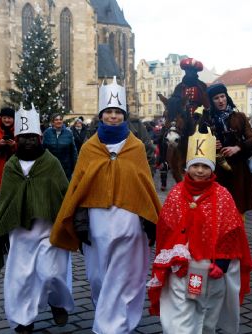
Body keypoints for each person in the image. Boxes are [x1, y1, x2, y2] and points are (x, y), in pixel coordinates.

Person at [49, 76, 162, 334]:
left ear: (124, 115)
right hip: (97, 223)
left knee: (125, 277)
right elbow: (78, 187)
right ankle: (106, 312)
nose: (113, 116)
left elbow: (145, 184)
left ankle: (112, 326)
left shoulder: (135, 146)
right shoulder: (90, 148)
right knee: (98, 278)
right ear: (102, 115)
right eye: (109, 112)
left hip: (129, 223)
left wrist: (151, 220)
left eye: (117, 112)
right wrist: (78, 222)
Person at [147, 126, 252, 334]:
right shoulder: (176, 194)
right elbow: (167, 228)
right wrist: (173, 257)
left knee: (207, 317)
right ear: (187, 167)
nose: (200, 171)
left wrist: (221, 264)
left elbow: (231, 232)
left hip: (211, 267)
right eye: (195, 165)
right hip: (182, 268)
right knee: (181, 317)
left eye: (205, 166)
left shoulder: (222, 195)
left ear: (212, 168)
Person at [0, 104, 74, 334]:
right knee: (21, 277)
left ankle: (57, 302)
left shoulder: (51, 163)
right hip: (21, 232)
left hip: (48, 231)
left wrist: (71, 224)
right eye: (23, 138)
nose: (28, 142)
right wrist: (2, 230)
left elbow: (64, 195)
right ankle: (23, 319)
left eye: (32, 137)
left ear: (40, 137)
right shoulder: (13, 166)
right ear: (16, 139)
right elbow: (6, 201)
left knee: (51, 272)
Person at [206, 83, 252, 215]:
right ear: (212, 101)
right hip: (216, 170)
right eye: (216, 98)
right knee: (217, 209)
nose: (220, 100)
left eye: (222, 96)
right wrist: (210, 144)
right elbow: (197, 144)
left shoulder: (239, 117)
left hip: (238, 169)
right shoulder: (206, 120)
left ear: (227, 97)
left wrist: (238, 147)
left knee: (238, 208)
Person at [42, 113, 78, 179]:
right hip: (51, 167)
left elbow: (73, 151)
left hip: (66, 168)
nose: (59, 121)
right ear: (52, 122)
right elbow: (43, 150)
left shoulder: (68, 133)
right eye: (56, 120)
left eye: (60, 119)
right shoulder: (47, 133)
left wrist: (75, 167)